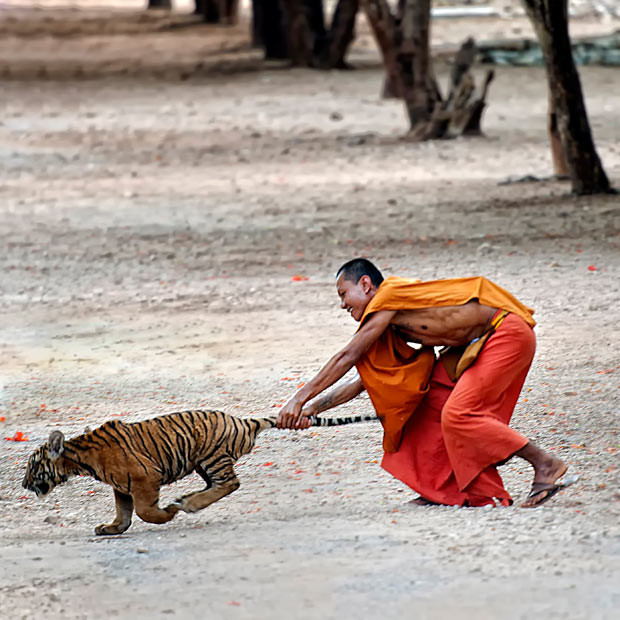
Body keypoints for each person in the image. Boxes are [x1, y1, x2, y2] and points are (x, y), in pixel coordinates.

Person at [276, 258, 575, 508]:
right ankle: (452, 491)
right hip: (474, 346)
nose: (342, 305)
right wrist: (312, 409)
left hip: (505, 332)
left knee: (460, 414)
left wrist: (297, 399)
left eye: (343, 294)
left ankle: (544, 463)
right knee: (428, 402)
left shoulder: (388, 296)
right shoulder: (386, 322)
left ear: (366, 285)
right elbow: (360, 381)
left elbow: (347, 355)